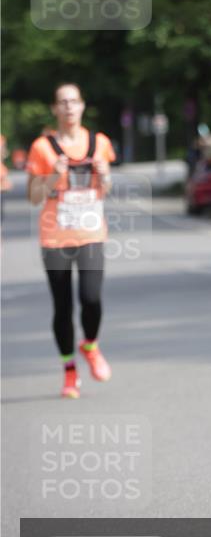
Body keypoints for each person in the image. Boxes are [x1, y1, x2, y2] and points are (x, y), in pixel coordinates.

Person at [26, 83, 116, 399]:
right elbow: (33, 197)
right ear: (55, 108)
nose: (68, 107)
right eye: (62, 102)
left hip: (91, 233)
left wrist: (105, 175)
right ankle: (69, 370)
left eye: (73, 101)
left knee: (91, 298)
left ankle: (89, 345)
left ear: (82, 106)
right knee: (62, 307)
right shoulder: (42, 147)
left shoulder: (99, 142)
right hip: (54, 237)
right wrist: (53, 175)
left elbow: (105, 189)